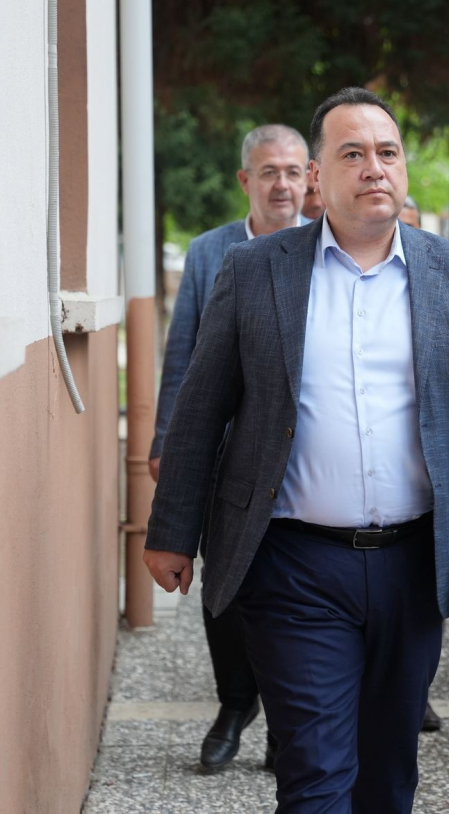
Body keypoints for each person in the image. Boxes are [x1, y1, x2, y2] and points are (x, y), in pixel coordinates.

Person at [143, 87, 449, 813]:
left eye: (387, 152)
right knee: (315, 774)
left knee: (388, 772)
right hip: (293, 565)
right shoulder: (253, 270)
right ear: (318, 176)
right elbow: (202, 407)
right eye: (352, 153)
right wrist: (172, 531)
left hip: (416, 561)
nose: (374, 167)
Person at [149, 123, 308, 771]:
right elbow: (183, 356)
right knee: (224, 585)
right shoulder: (210, 251)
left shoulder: (325, 249)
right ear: (247, 180)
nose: (282, 184)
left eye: (293, 171)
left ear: (310, 178)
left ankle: (283, 721)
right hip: (221, 456)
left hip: (293, 458)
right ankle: (235, 703)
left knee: (289, 587)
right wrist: (166, 441)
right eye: (269, 172)